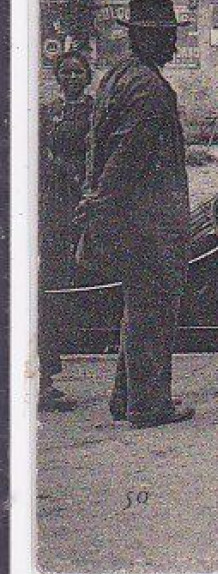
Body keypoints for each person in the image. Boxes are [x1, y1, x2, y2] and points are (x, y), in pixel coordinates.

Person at [75, 0, 194, 427]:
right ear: (148, 37)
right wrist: (102, 203)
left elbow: (103, 150)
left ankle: (125, 396)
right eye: (170, 37)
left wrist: (97, 202)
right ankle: (148, 404)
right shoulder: (148, 87)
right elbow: (128, 156)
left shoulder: (118, 77)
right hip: (147, 220)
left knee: (139, 305)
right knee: (154, 308)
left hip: (129, 215)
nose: (175, 47)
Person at [37, 50, 95, 411]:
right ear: (58, 77)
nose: (72, 78)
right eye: (66, 73)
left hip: (82, 190)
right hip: (55, 196)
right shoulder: (49, 112)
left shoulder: (93, 111)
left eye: (78, 72)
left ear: (87, 77)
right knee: (54, 266)